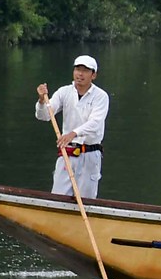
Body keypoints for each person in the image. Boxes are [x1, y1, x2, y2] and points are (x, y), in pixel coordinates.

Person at [34, 55, 109, 198]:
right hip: (67, 153)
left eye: (85, 71)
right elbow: (44, 115)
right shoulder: (64, 92)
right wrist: (42, 100)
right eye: (77, 69)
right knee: (58, 197)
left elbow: (95, 123)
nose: (80, 74)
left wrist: (73, 133)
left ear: (93, 75)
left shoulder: (101, 96)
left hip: (90, 154)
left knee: (86, 200)